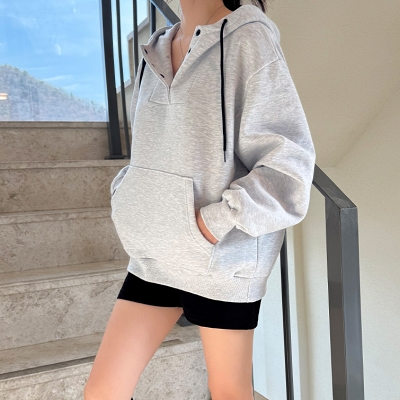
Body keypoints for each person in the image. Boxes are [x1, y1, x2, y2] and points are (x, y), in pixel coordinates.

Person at [84, 0, 316, 399]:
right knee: (102, 392)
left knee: (228, 392)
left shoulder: (249, 37)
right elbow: (145, 154)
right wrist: (127, 197)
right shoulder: (153, 52)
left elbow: (288, 168)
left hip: (221, 262)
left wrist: (211, 225)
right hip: (155, 258)